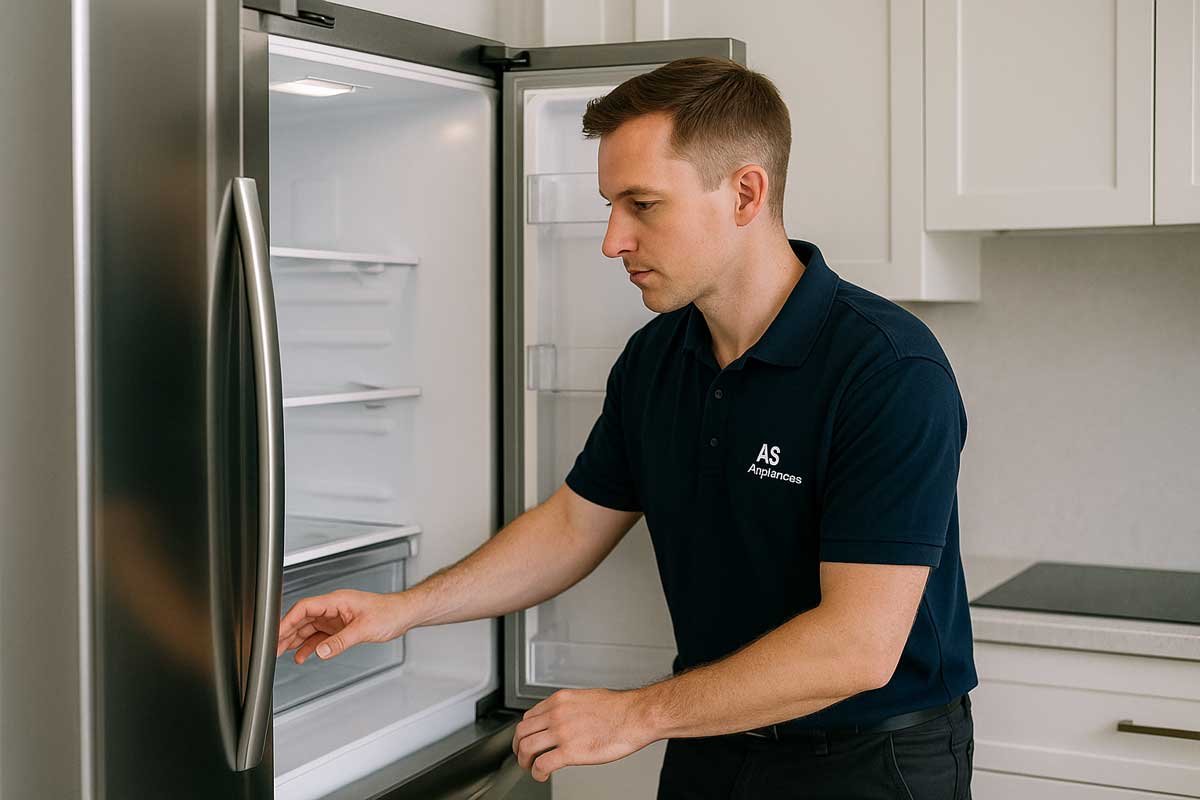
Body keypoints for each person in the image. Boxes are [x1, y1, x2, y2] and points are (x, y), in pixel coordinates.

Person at [277, 56, 977, 799]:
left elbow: (856, 649)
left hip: (868, 763)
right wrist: (402, 610)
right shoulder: (658, 355)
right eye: (612, 205)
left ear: (745, 192)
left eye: (643, 205)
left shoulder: (887, 369)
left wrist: (636, 715)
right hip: (709, 742)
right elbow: (576, 524)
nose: (613, 240)